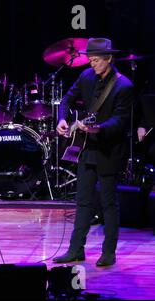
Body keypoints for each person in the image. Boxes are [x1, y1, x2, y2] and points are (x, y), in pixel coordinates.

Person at [53, 38, 134, 267]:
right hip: (87, 148)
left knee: (109, 203)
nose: (92, 65)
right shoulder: (86, 76)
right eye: (90, 60)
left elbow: (120, 121)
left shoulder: (123, 85)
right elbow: (68, 98)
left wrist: (99, 128)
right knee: (83, 201)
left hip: (109, 150)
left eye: (96, 61)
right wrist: (62, 118)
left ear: (109, 59)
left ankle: (109, 251)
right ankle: (75, 249)